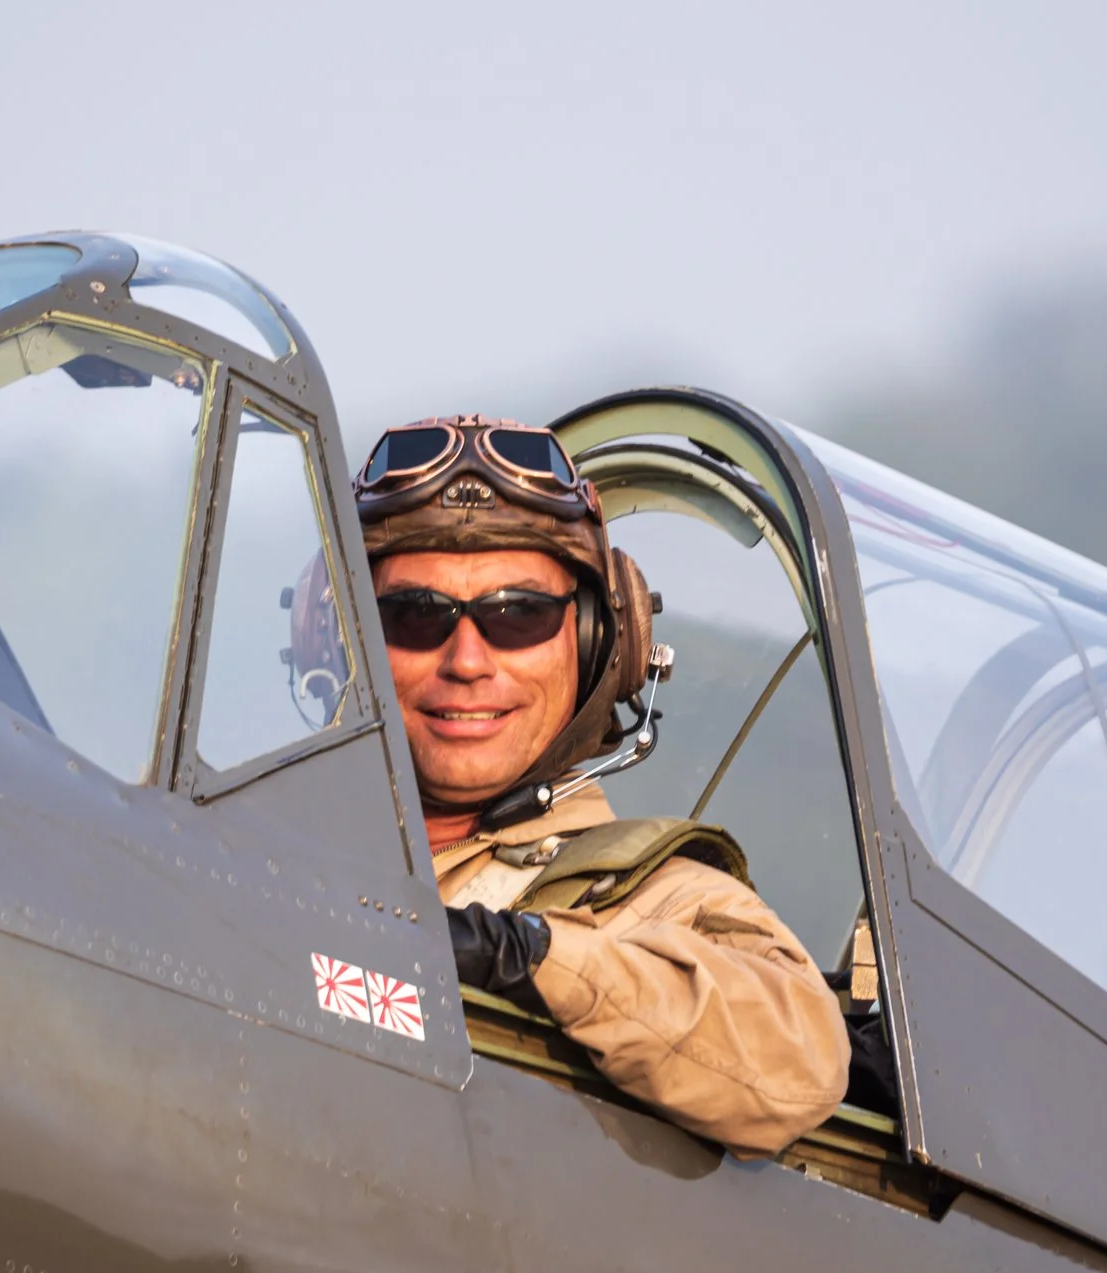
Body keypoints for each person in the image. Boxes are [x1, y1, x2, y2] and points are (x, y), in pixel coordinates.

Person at [350, 414, 849, 1156]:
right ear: (347, 634)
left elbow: (800, 1059)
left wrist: (522, 955)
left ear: (596, 642)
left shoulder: (655, 899)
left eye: (518, 615)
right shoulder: (278, 842)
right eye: (415, 616)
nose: (467, 660)